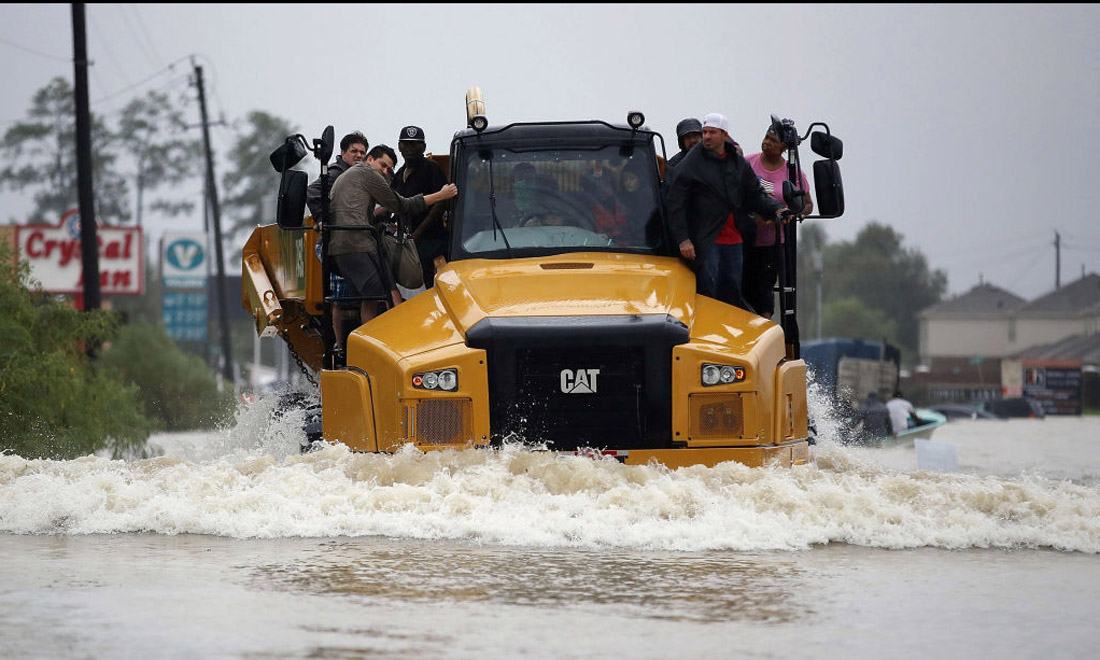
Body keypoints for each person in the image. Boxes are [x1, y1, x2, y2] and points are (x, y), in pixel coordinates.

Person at [328, 144, 457, 335]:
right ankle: (391, 339)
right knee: (383, 294)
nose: (385, 171)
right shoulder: (367, 174)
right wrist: (441, 195)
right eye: (383, 165)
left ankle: (372, 339)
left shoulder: (350, 176)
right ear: (369, 159)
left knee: (372, 296)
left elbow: (364, 211)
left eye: (389, 169)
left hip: (342, 246)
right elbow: (402, 205)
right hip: (357, 244)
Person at [665, 112, 785, 310]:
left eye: (711, 132)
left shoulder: (737, 162)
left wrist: (777, 210)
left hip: (735, 241)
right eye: (704, 132)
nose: (706, 137)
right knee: (708, 293)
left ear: (724, 134)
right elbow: (675, 202)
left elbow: (754, 193)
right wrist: (683, 239)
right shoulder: (690, 163)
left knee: (732, 293)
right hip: (707, 240)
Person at [742, 125, 813, 318]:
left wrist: (791, 213)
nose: (767, 143)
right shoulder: (747, 163)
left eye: (774, 141)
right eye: (766, 138)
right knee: (741, 289)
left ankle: (764, 328)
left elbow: (807, 205)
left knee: (765, 291)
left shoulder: (793, 172)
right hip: (745, 239)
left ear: (784, 148)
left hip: (774, 244)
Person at [388, 126, 451, 289]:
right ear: (399, 146)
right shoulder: (399, 175)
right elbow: (396, 205)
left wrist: (418, 233)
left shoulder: (432, 168)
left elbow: (442, 202)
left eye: (415, 144)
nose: (410, 149)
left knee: (433, 286)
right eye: (406, 144)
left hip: (431, 240)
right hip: (408, 242)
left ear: (423, 147)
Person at [306, 131, 368, 219]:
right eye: (354, 151)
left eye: (362, 153)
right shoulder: (337, 173)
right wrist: (323, 219)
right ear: (343, 152)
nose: (359, 155)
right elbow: (312, 191)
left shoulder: (360, 175)